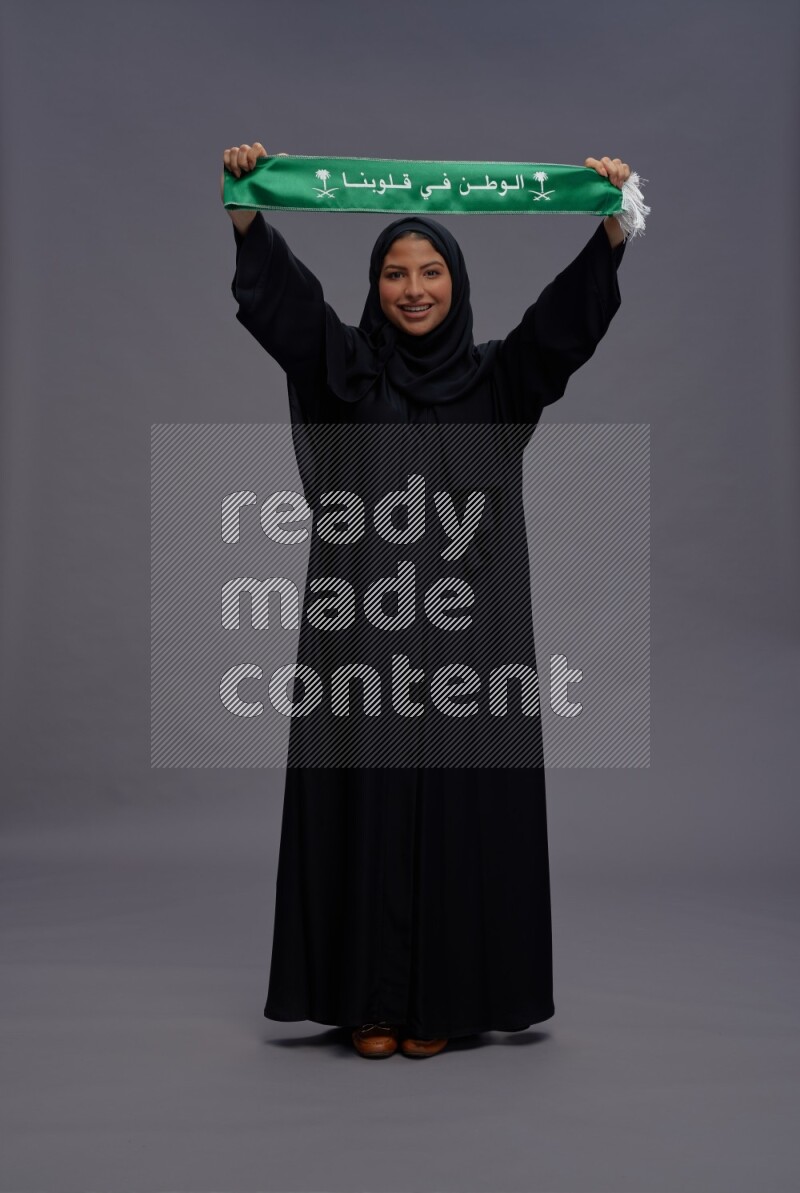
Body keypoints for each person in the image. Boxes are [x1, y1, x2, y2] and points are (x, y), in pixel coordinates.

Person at [222, 143, 635, 1059]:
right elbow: (288, 316)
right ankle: (368, 1002)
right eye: (396, 274)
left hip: (471, 648)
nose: (414, 289)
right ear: (376, 289)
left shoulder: (497, 383)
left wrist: (610, 229)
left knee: (459, 815)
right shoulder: (347, 375)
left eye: (432, 271)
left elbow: (561, 330)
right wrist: (247, 211)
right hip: (363, 641)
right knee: (364, 806)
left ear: (456, 281)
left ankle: (441, 1004)